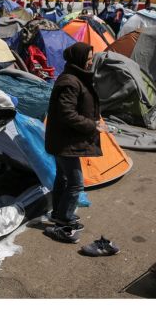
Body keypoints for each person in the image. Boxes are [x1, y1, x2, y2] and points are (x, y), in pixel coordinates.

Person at [44, 43, 105, 243]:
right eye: (88, 58)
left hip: (65, 139)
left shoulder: (75, 77)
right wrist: (91, 125)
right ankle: (64, 219)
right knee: (76, 183)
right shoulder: (70, 81)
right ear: (79, 58)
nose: (90, 61)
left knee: (63, 178)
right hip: (64, 142)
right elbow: (67, 113)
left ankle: (58, 213)